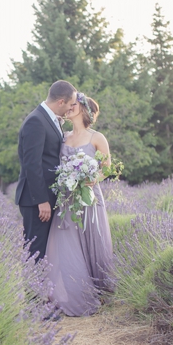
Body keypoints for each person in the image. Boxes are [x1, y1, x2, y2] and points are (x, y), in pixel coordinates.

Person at [46, 93, 115, 317]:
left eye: (73, 104)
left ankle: (100, 291)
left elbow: (107, 168)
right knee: (67, 247)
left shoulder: (97, 137)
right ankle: (75, 295)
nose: (69, 107)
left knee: (94, 241)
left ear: (83, 109)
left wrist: (93, 178)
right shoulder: (63, 137)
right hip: (67, 200)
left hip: (89, 198)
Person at [15, 80, 78, 261]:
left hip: (47, 197)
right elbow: (31, 164)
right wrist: (42, 200)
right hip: (36, 200)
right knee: (35, 251)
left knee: (44, 252)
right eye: (70, 104)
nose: (71, 108)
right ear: (61, 102)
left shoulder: (50, 119)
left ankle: (39, 281)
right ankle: (31, 281)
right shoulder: (36, 120)